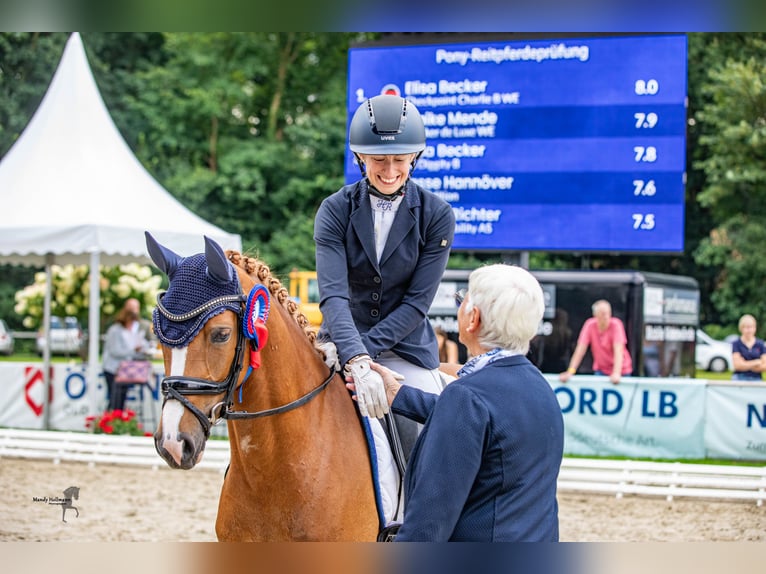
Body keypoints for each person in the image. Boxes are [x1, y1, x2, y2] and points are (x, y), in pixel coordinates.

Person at [351, 264, 564, 541]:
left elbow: (430, 523)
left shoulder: (466, 397)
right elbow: (487, 426)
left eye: (462, 299)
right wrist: (399, 395)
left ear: (473, 318)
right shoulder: (539, 388)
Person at [313, 94, 456, 454]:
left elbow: (415, 304)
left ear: (415, 158)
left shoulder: (437, 215)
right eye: (378, 159)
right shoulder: (334, 210)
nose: (390, 170)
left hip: (404, 352)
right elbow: (333, 295)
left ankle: (419, 508)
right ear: (360, 157)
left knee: (431, 444)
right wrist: (353, 355)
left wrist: (363, 354)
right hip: (340, 343)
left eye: (400, 160)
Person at [559, 299, 632, 384]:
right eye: (602, 314)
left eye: (608, 313)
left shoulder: (616, 325)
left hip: (622, 371)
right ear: (595, 315)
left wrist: (616, 373)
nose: (606, 317)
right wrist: (570, 371)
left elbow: (618, 350)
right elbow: (580, 350)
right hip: (601, 370)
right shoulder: (589, 325)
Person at [102, 301, 154, 411]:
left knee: (121, 399)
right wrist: (133, 351)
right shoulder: (115, 330)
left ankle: (118, 420)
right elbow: (115, 351)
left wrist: (141, 349)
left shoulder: (128, 331)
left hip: (123, 370)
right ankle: (110, 421)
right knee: (114, 398)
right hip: (112, 369)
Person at [731, 314, 766, 381]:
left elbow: (764, 366)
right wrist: (756, 362)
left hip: (756, 378)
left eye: (751, 327)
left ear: (755, 328)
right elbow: (737, 365)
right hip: (739, 377)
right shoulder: (736, 344)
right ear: (741, 328)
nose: (749, 330)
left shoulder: (760, 344)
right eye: (746, 327)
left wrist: (744, 364)